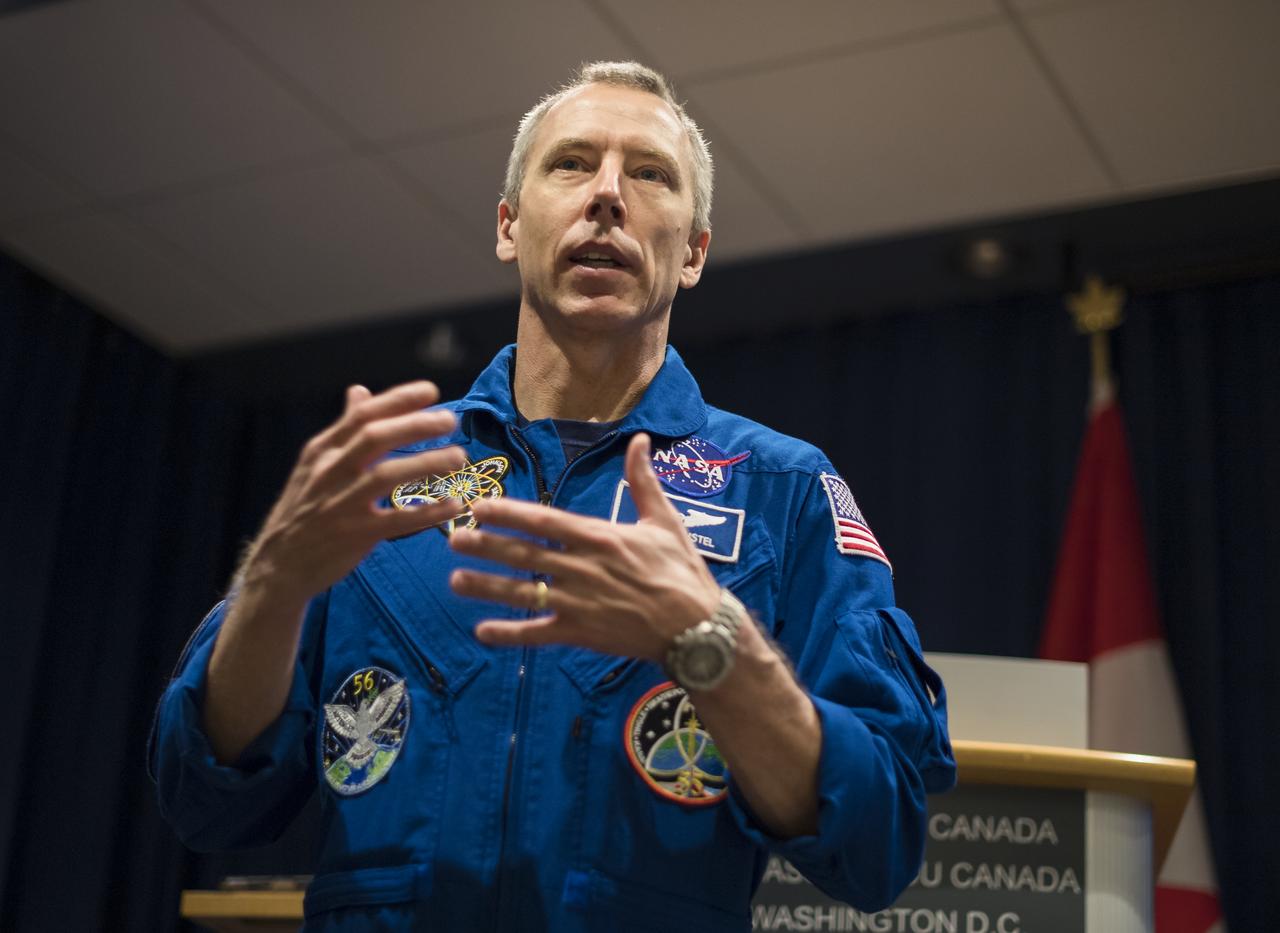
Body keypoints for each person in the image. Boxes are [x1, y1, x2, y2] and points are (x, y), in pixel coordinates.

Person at [150, 61, 955, 932]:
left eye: (649, 173)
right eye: (571, 163)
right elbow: (203, 798)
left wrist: (712, 642)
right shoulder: (386, 473)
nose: (607, 194)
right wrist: (271, 583)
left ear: (693, 252)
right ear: (508, 224)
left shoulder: (782, 492)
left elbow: (882, 841)